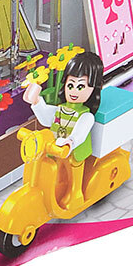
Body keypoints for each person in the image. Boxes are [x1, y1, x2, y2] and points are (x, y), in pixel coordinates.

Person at [22, 51, 104, 210]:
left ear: (94, 89)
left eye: (81, 87)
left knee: (73, 172)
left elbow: (80, 133)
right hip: (56, 150)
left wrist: (70, 142)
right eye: (70, 85)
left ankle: (76, 194)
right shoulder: (61, 109)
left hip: (74, 152)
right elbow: (47, 119)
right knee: (56, 172)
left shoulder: (86, 115)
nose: (74, 91)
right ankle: (56, 192)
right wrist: (37, 102)